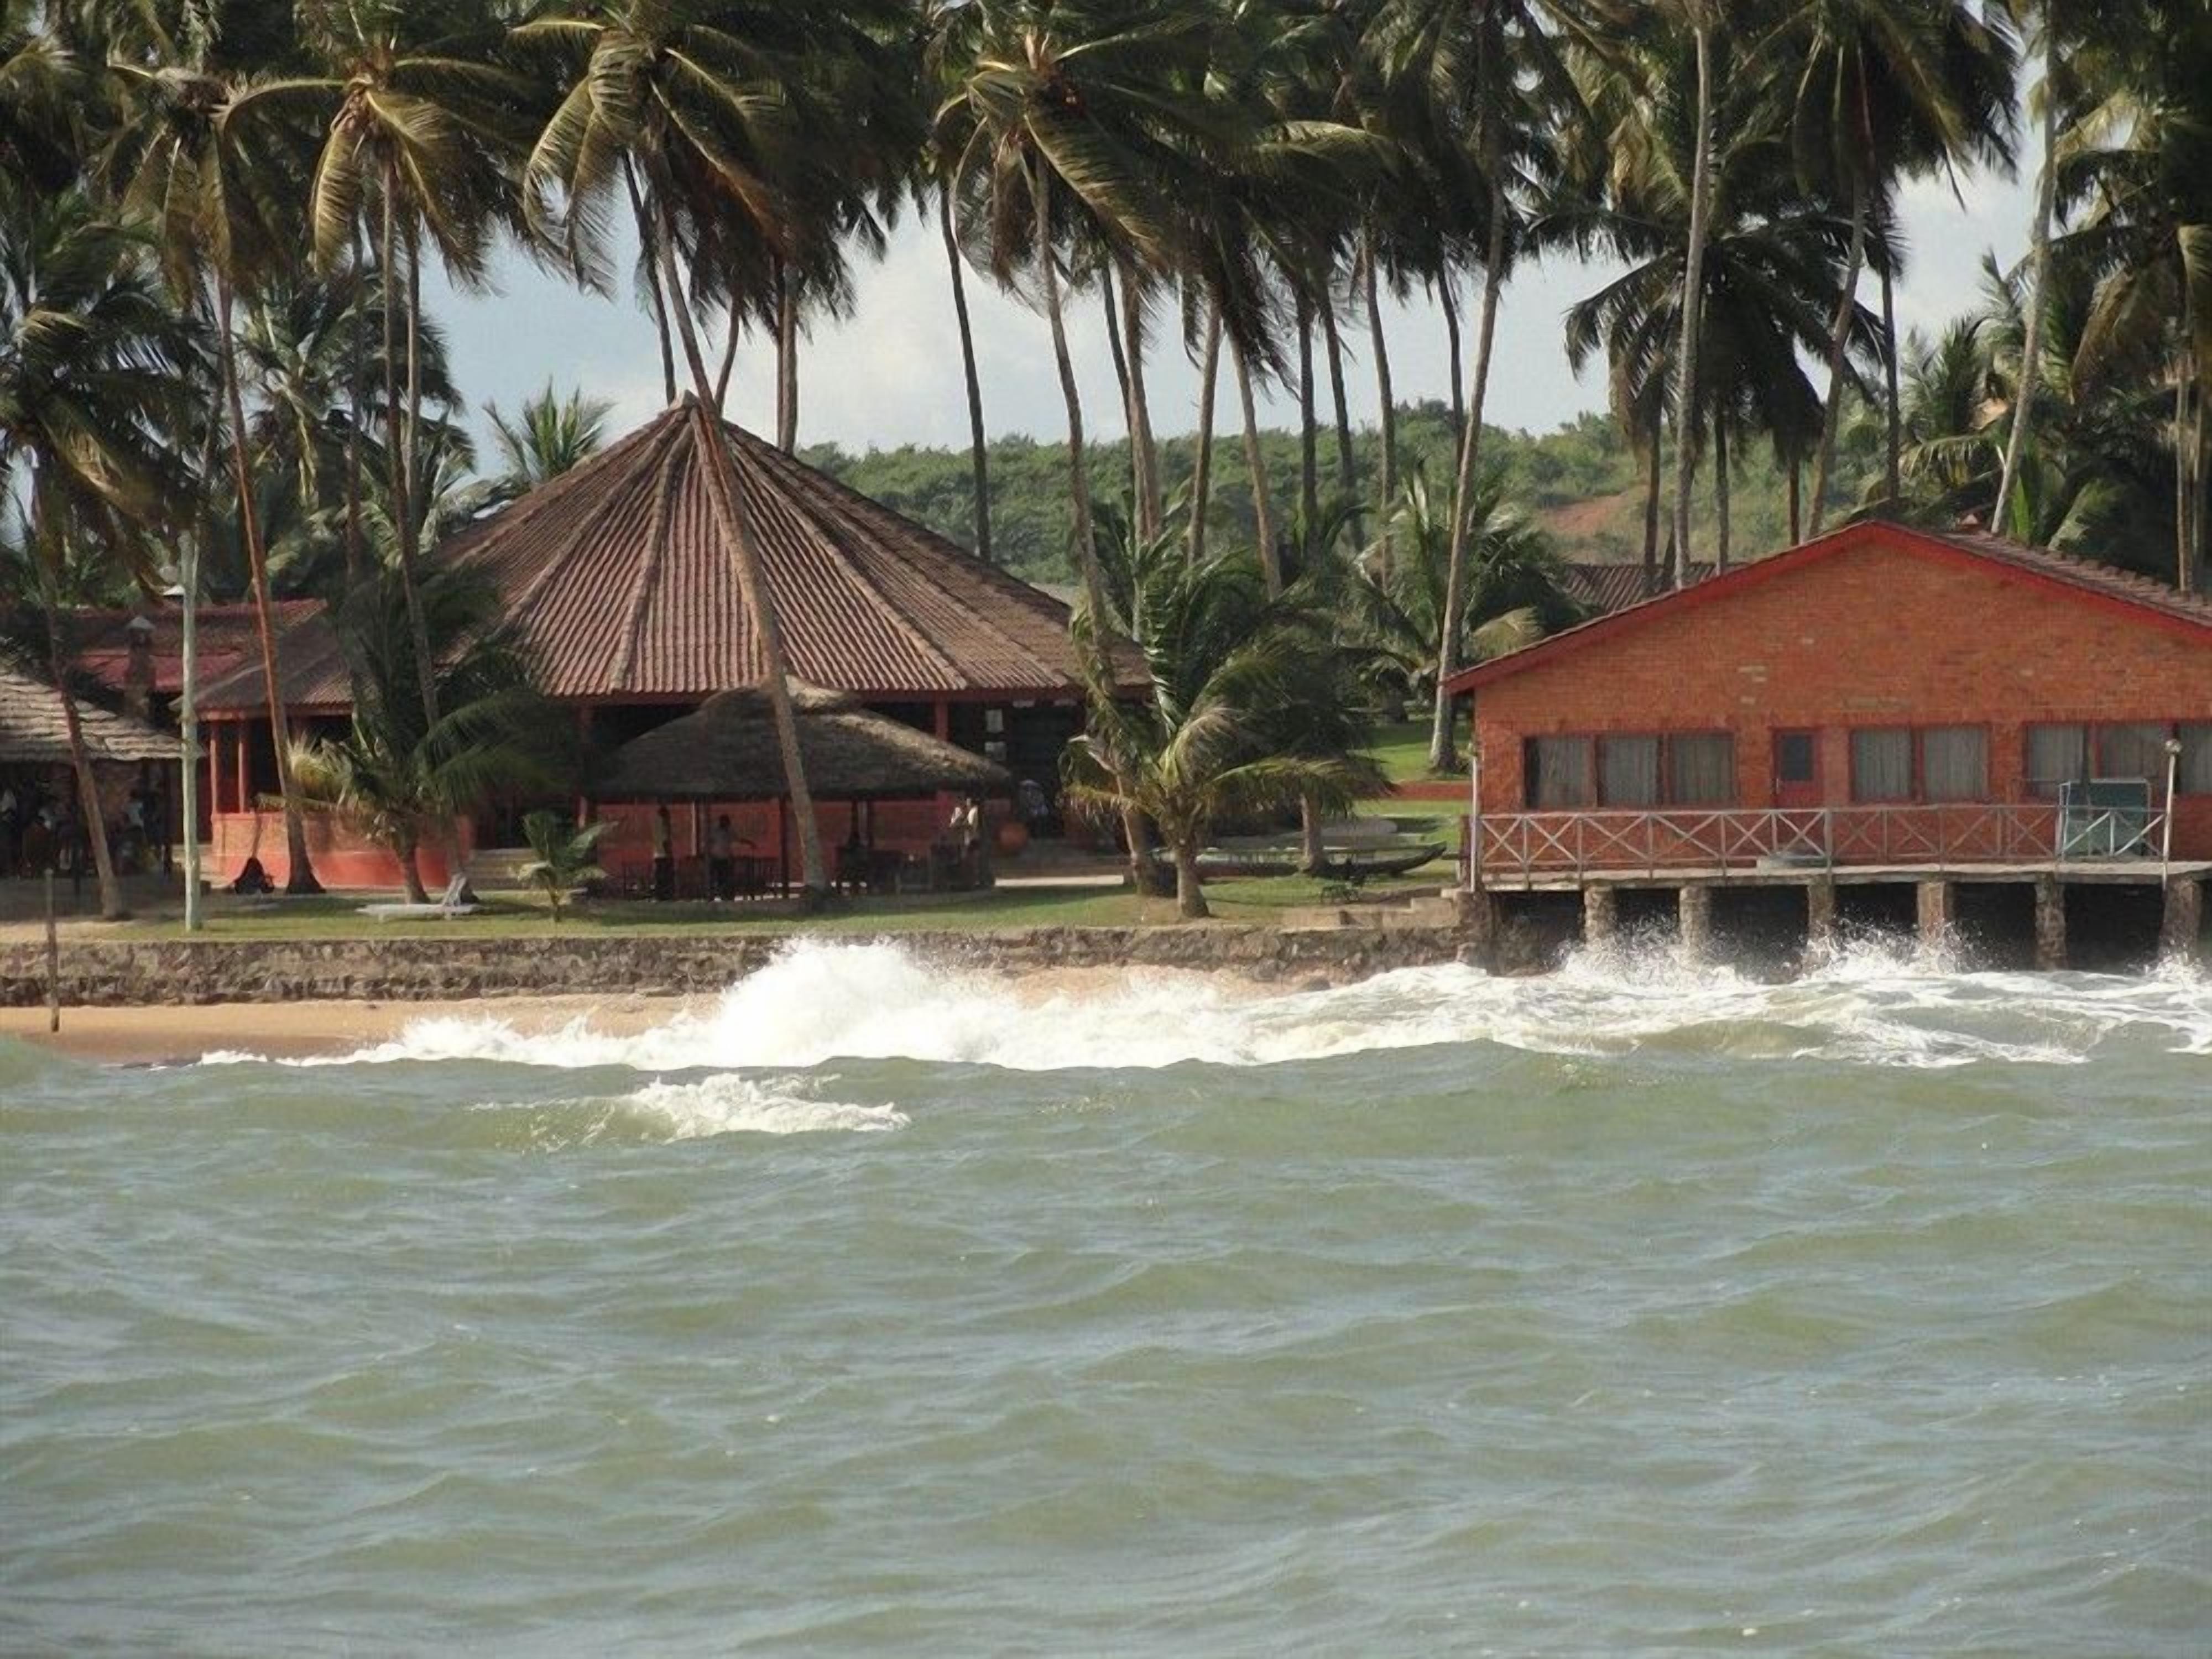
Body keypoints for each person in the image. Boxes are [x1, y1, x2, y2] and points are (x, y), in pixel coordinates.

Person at [708, 813, 747, 902]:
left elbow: (738, 839)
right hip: (715, 858)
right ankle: (712, 896)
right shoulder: (715, 831)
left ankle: (725, 896)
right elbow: (709, 842)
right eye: (725, 822)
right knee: (714, 878)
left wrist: (748, 843)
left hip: (725, 859)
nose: (727, 824)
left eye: (727, 823)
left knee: (725, 878)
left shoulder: (730, 832)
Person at [650, 803, 675, 901]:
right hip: (664, 855)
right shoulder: (663, 826)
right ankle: (665, 895)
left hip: (657, 855)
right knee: (665, 877)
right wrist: (669, 854)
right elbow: (665, 842)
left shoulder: (656, 826)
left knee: (659, 877)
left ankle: (660, 895)